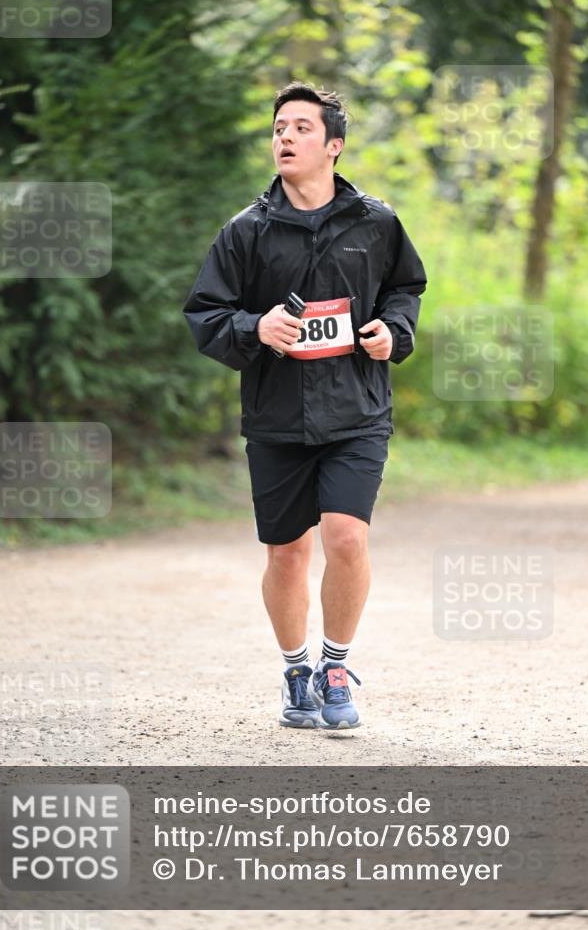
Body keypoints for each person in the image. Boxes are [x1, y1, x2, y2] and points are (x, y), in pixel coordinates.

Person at [183, 81, 426, 730]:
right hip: (277, 416)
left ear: (334, 146)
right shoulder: (246, 231)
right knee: (287, 552)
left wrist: (393, 331)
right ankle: (296, 671)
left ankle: (334, 668)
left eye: (300, 127)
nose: (285, 137)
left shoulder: (376, 222)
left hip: (357, 411)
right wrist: (254, 327)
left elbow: (405, 289)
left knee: (346, 536)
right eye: (278, 128)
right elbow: (206, 313)